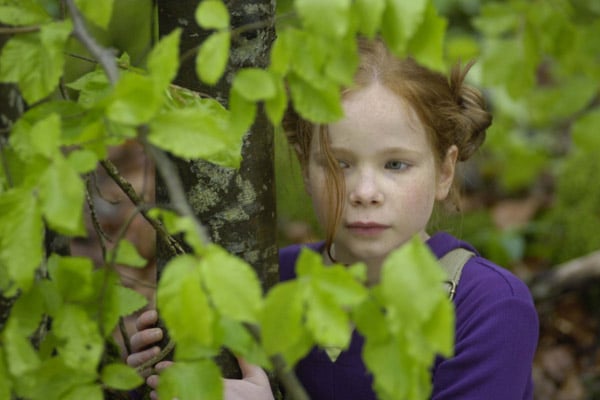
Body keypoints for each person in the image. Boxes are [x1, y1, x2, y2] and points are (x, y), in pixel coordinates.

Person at [127, 38, 539, 399]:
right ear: (306, 170)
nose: (364, 193)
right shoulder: (271, 281)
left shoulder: (489, 308)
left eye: (395, 164)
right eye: (339, 163)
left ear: (445, 172)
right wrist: (145, 376)